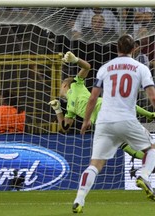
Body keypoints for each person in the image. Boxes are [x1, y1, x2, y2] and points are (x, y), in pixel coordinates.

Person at [72, 34, 155, 213]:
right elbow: (152, 95)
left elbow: (93, 97)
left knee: (95, 164)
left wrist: (86, 121)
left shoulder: (105, 68)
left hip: (104, 121)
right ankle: (144, 175)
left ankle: (79, 200)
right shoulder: (141, 67)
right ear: (134, 49)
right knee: (152, 149)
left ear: (116, 48)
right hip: (127, 119)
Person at [48, 51, 150, 159]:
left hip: (104, 107)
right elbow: (65, 127)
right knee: (124, 144)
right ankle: (149, 161)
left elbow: (87, 67)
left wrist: (75, 60)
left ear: (64, 85)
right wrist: (57, 109)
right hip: (102, 122)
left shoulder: (75, 84)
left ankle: (150, 115)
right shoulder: (69, 109)